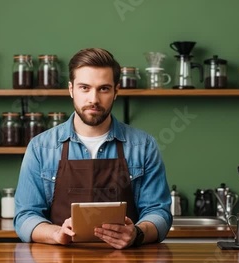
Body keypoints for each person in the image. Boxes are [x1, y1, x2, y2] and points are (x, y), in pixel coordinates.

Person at [14, 48, 172, 249]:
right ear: (71, 89)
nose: (94, 99)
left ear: (116, 91)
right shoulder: (41, 147)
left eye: (104, 89)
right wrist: (56, 234)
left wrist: (137, 234)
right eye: (84, 88)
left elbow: (159, 212)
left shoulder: (143, 146)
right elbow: (25, 216)